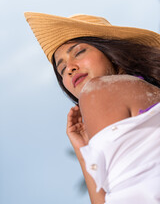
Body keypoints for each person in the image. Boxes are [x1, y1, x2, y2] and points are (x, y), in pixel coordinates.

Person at [24, 12, 160, 204]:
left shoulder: (98, 90)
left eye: (79, 52)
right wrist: (84, 152)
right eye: (62, 70)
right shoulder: (148, 91)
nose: (69, 68)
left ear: (110, 52)